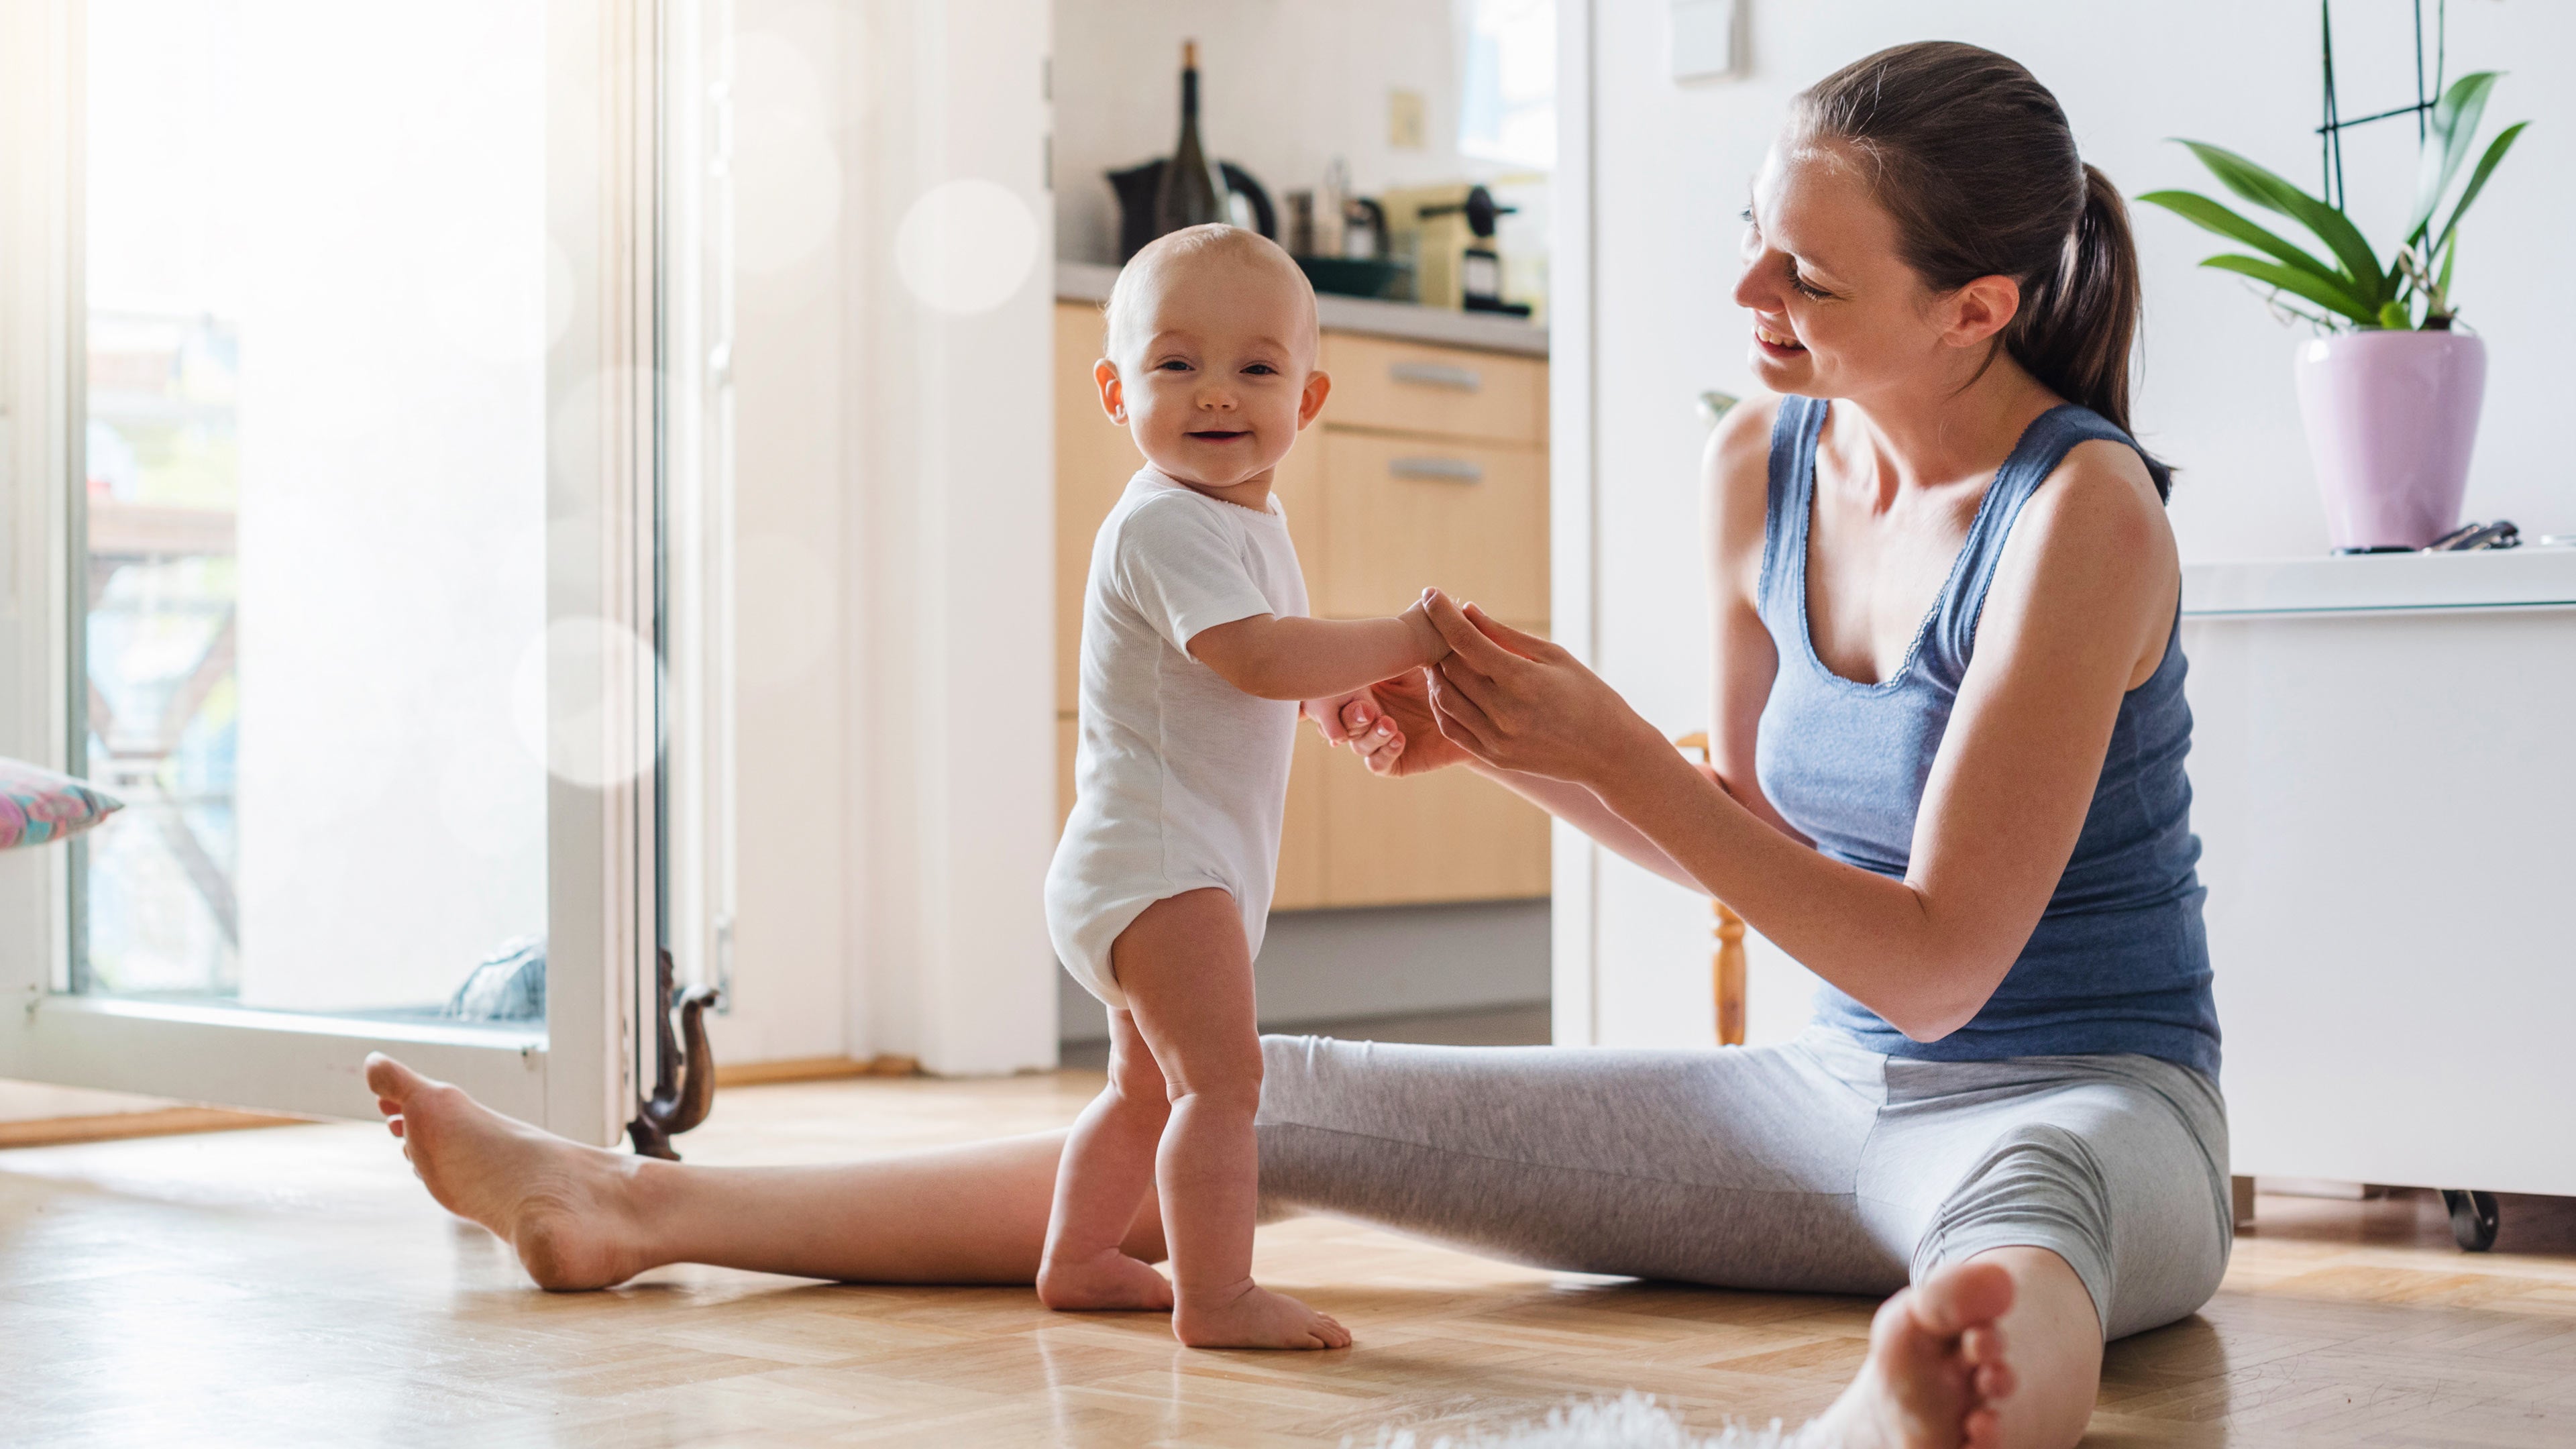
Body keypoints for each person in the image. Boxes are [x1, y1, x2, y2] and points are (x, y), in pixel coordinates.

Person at [364, 40, 2224, 1448]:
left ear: (1976, 306)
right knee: (1233, 1081)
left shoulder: (2084, 519)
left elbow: (1943, 959)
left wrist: (1611, 753)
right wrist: (1506, 742)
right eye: (1755, 244)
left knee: (2022, 1217)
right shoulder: (1764, 460)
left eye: (1805, 283)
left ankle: (1951, 1386)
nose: (1749, 303)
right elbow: (1752, 844)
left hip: (2083, 1100)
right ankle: (623, 1204)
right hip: (1820, 1108)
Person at [1036, 223, 1446, 1350]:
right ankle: (1216, 1298)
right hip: (1163, 869)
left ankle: (1077, 1259)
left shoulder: (1245, 521)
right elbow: (1258, 655)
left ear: (1308, 400)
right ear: (1117, 391)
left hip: (1149, 861)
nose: (1216, 395)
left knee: (1145, 1091)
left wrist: (1331, 698)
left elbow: (1270, 657)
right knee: (1224, 1084)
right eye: (1177, 365)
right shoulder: (1164, 521)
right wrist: (1403, 637)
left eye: (1255, 369)